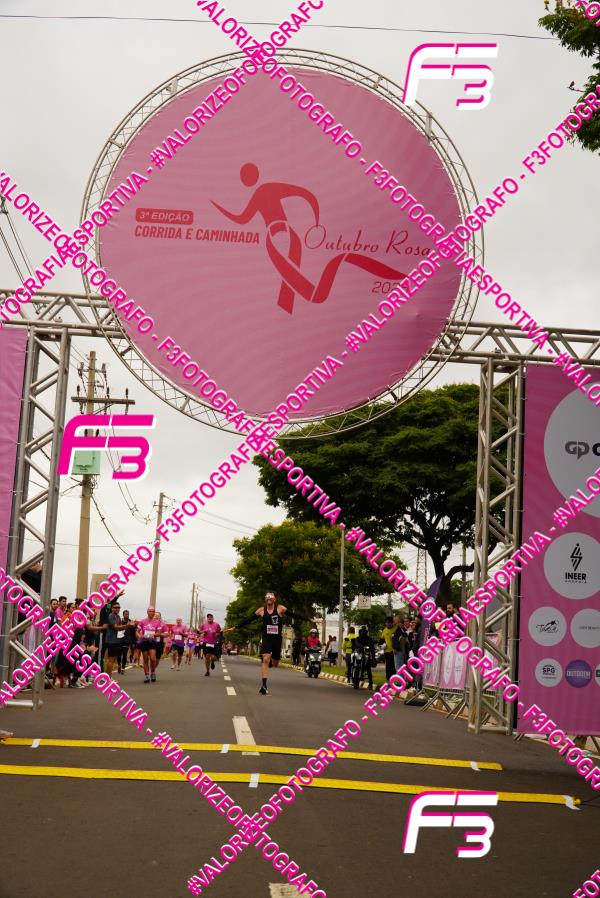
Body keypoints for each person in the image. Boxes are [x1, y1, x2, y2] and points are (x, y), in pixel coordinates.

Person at [225, 591, 315, 695]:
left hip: (277, 640)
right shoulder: (261, 610)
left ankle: (272, 662)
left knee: (275, 663)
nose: (269, 598)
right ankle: (264, 685)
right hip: (266, 638)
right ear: (265, 599)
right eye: (267, 597)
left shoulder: (280, 608)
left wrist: (309, 619)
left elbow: (294, 615)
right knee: (265, 659)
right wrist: (235, 627)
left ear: (274, 599)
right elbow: (249, 620)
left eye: (271, 597)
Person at [102, 600, 134, 678]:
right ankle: (107, 678)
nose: (117, 609)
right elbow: (116, 627)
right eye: (115, 607)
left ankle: (108, 677)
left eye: (118, 607)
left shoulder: (118, 617)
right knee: (110, 660)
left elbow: (120, 628)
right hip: (111, 640)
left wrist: (128, 626)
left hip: (117, 640)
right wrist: (127, 625)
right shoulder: (111, 616)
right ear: (112, 608)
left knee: (113, 660)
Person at [136, 607, 162, 683]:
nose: (151, 612)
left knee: (153, 658)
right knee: (145, 659)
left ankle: (153, 672)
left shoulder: (157, 622)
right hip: (144, 641)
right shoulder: (142, 621)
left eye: (153, 611)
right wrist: (140, 636)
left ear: (154, 613)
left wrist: (153, 635)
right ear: (147, 612)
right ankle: (147, 675)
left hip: (152, 641)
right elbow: (137, 631)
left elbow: (159, 633)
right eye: (150, 611)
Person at [355, 625, 376, 690]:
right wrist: (360, 646)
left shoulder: (369, 639)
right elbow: (356, 643)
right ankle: (355, 681)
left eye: (364, 631)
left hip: (367, 654)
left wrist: (373, 657)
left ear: (366, 632)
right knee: (356, 664)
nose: (363, 632)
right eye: (362, 631)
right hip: (359, 653)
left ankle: (370, 684)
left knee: (368, 668)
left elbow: (372, 648)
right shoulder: (358, 638)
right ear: (360, 631)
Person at [380, 616, 396, 682]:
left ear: (392, 623)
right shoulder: (384, 630)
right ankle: (388, 679)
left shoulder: (395, 629)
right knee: (388, 666)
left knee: (393, 666)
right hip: (387, 651)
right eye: (386, 623)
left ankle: (393, 678)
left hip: (394, 651)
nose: (387, 624)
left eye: (389, 623)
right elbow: (382, 640)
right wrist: (382, 645)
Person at [118, 609, 135, 674]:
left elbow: (133, 633)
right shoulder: (119, 621)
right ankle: (119, 665)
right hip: (119, 639)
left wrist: (133, 642)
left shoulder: (131, 622)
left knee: (125, 654)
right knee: (119, 654)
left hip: (127, 640)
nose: (126, 615)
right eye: (125, 614)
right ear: (123, 615)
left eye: (127, 614)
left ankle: (123, 668)